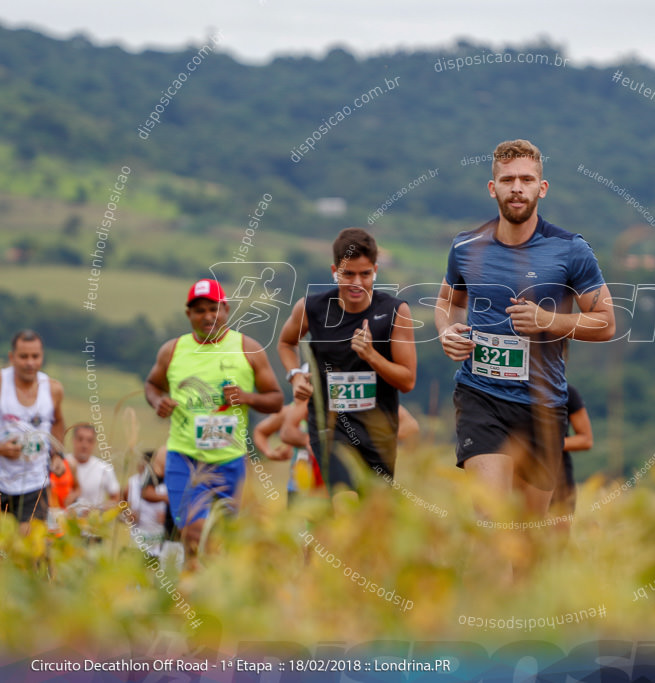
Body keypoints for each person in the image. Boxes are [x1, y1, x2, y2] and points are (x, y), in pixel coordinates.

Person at [434, 139, 615, 531]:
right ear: (492, 187)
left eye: (527, 179)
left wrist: (549, 320)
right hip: (480, 397)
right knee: (491, 525)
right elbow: (446, 303)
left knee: (528, 541)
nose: (517, 187)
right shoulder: (466, 247)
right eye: (508, 179)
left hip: (542, 406)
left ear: (541, 188)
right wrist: (447, 331)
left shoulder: (570, 250)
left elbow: (605, 322)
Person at [145, 278, 283, 560]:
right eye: (200, 310)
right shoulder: (172, 350)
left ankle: (213, 594)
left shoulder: (249, 349)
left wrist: (247, 398)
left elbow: (276, 399)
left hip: (230, 461)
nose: (208, 316)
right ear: (189, 315)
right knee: (194, 536)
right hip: (185, 459)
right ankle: (192, 597)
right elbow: (152, 385)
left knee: (227, 542)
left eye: (214, 308)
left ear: (226, 310)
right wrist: (159, 401)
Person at [278, 228, 416, 492]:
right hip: (330, 430)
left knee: (369, 521)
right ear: (334, 270)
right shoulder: (312, 308)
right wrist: (295, 375)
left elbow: (407, 380)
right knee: (344, 501)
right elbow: (286, 343)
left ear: (375, 270)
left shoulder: (395, 312)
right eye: (348, 274)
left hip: (378, 435)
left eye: (365, 274)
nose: (357, 283)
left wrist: (371, 355)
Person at [0, 330, 66, 533]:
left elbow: (58, 422)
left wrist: (57, 454)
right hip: (2, 480)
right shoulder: (2, 383)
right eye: (23, 356)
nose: (30, 363)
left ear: (42, 357)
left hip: (34, 483)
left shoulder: (53, 389)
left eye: (35, 356)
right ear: (12, 357)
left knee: (27, 551)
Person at [550, 383, 593, 524]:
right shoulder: (510, 390)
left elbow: (586, 440)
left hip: (559, 478)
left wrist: (549, 444)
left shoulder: (567, 392)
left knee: (559, 538)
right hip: (521, 476)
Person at [65, 423, 119, 512]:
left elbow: (116, 498)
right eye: (80, 439)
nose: (84, 445)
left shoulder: (104, 468)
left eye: (89, 440)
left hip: (93, 523)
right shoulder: (62, 465)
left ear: (94, 443)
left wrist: (98, 510)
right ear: (73, 440)